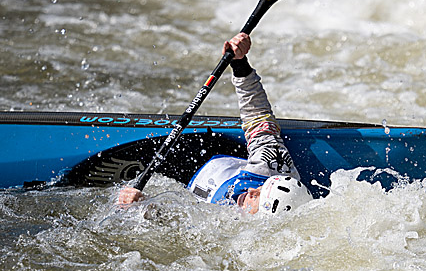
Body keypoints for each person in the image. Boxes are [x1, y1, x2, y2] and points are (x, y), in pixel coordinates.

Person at [117, 32, 312, 215]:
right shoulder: (273, 167)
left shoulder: (234, 230)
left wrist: (142, 207)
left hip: (187, 185)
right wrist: (240, 63)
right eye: (261, 187)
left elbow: (174, 226)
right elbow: (258, 117)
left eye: (259, 197)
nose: (252, 190)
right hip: (205, 154)